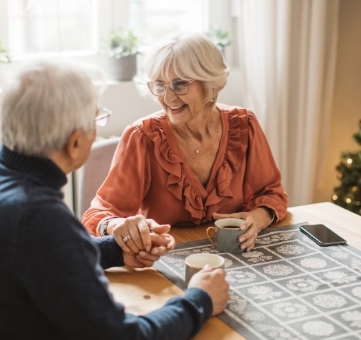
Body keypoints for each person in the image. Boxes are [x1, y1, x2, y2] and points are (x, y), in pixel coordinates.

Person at [0, 58, 229, 339]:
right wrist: (198, 301)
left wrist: (115, 250)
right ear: (76, 142)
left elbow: (40, 257)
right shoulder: (36, 216)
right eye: (97, 120)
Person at [82, 33, 288, 253]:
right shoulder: (142, 137)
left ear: (210, 83)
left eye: (179, 84)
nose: (168, 98)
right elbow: (99, 214)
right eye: (160, 85)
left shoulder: (244, 126)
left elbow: (272, 193)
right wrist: (113, 225)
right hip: (164, 258)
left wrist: (258, 217)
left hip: (235, 254)